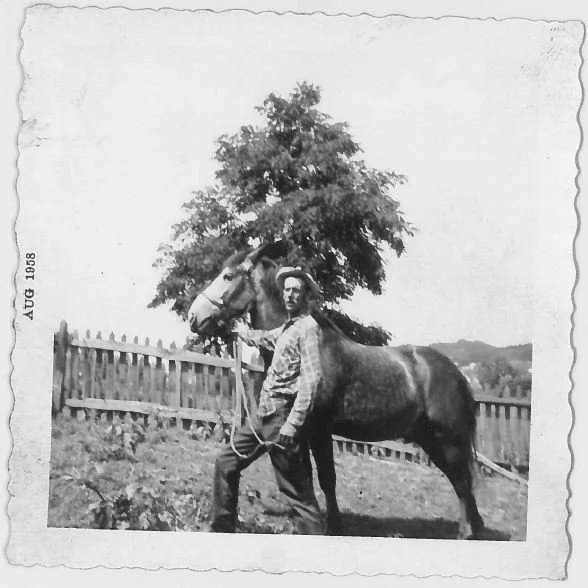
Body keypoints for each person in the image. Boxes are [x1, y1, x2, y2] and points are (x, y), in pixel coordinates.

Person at [210, 267, 324, 535]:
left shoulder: (308, 328)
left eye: (296, 290)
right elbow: (265, 337)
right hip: (263, 418)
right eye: (287, 290)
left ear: (306, 295)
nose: (290, 295)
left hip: (281, 421)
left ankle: (318, 551)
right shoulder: (288, 328)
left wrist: (292, 425)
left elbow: (312, 379)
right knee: (226, 461)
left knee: (296, 492)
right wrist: (240, 333)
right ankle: (221, 532)